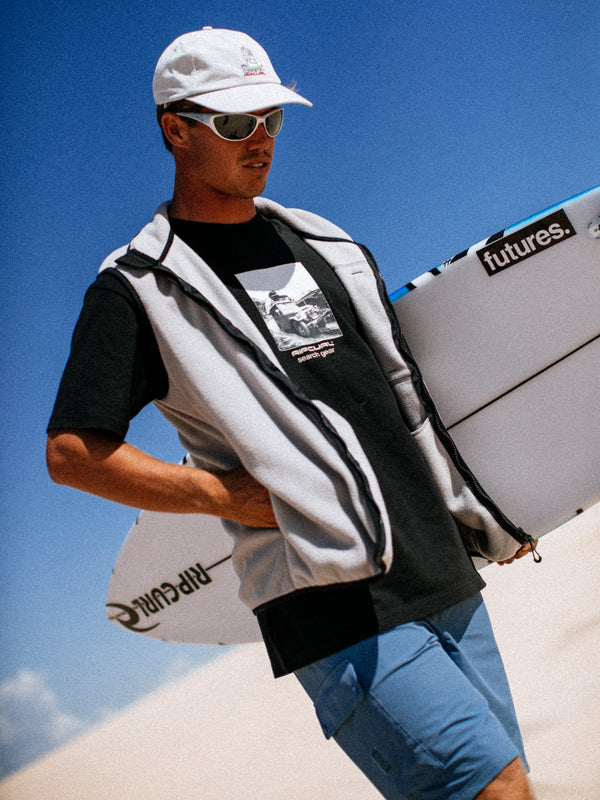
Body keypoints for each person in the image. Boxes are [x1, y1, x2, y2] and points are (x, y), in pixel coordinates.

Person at [47, 27, 539, 800]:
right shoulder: (141, 286)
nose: (262, 140)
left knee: (513, 788)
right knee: (496, 791)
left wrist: (484, 510)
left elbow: (374, 399)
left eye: (271, 119)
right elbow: (74, 452)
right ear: (176, 129)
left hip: (436, 567)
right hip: (330, 601)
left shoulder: (315, 243)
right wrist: (226, 496)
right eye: (237, 124)